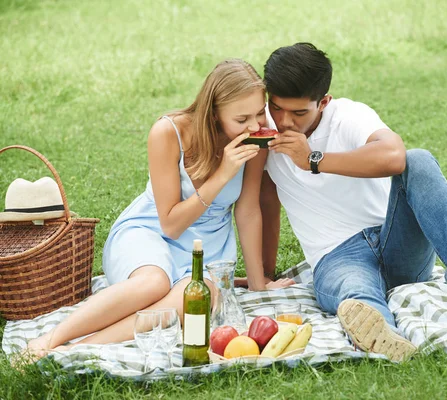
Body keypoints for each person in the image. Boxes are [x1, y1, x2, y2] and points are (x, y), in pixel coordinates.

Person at [24, 59, 294, 358]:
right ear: (213, 113)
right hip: (150, 231)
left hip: (207, 246)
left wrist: (258, 285)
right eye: (242, 119)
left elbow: (247, 211)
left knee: (201, 297)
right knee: (154, 283)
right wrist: (222, 175)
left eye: (259, 113)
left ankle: (76, 349)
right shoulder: (168, 132)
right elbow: (170, 224)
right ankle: (49, 340)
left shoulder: (255, 138)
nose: (255, 126)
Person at [260, 43, 447, 362]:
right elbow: (264, 203)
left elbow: (393, 156)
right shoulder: (263, 129)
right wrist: (263, 275)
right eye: (277, 108)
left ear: (324, 102)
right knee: (356, 292)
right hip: (336, 257)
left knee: (418, 160)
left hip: (395, 241)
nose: (285, 121)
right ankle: (386, 338)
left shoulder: (347, 114)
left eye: (299, 113)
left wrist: (313, 159)